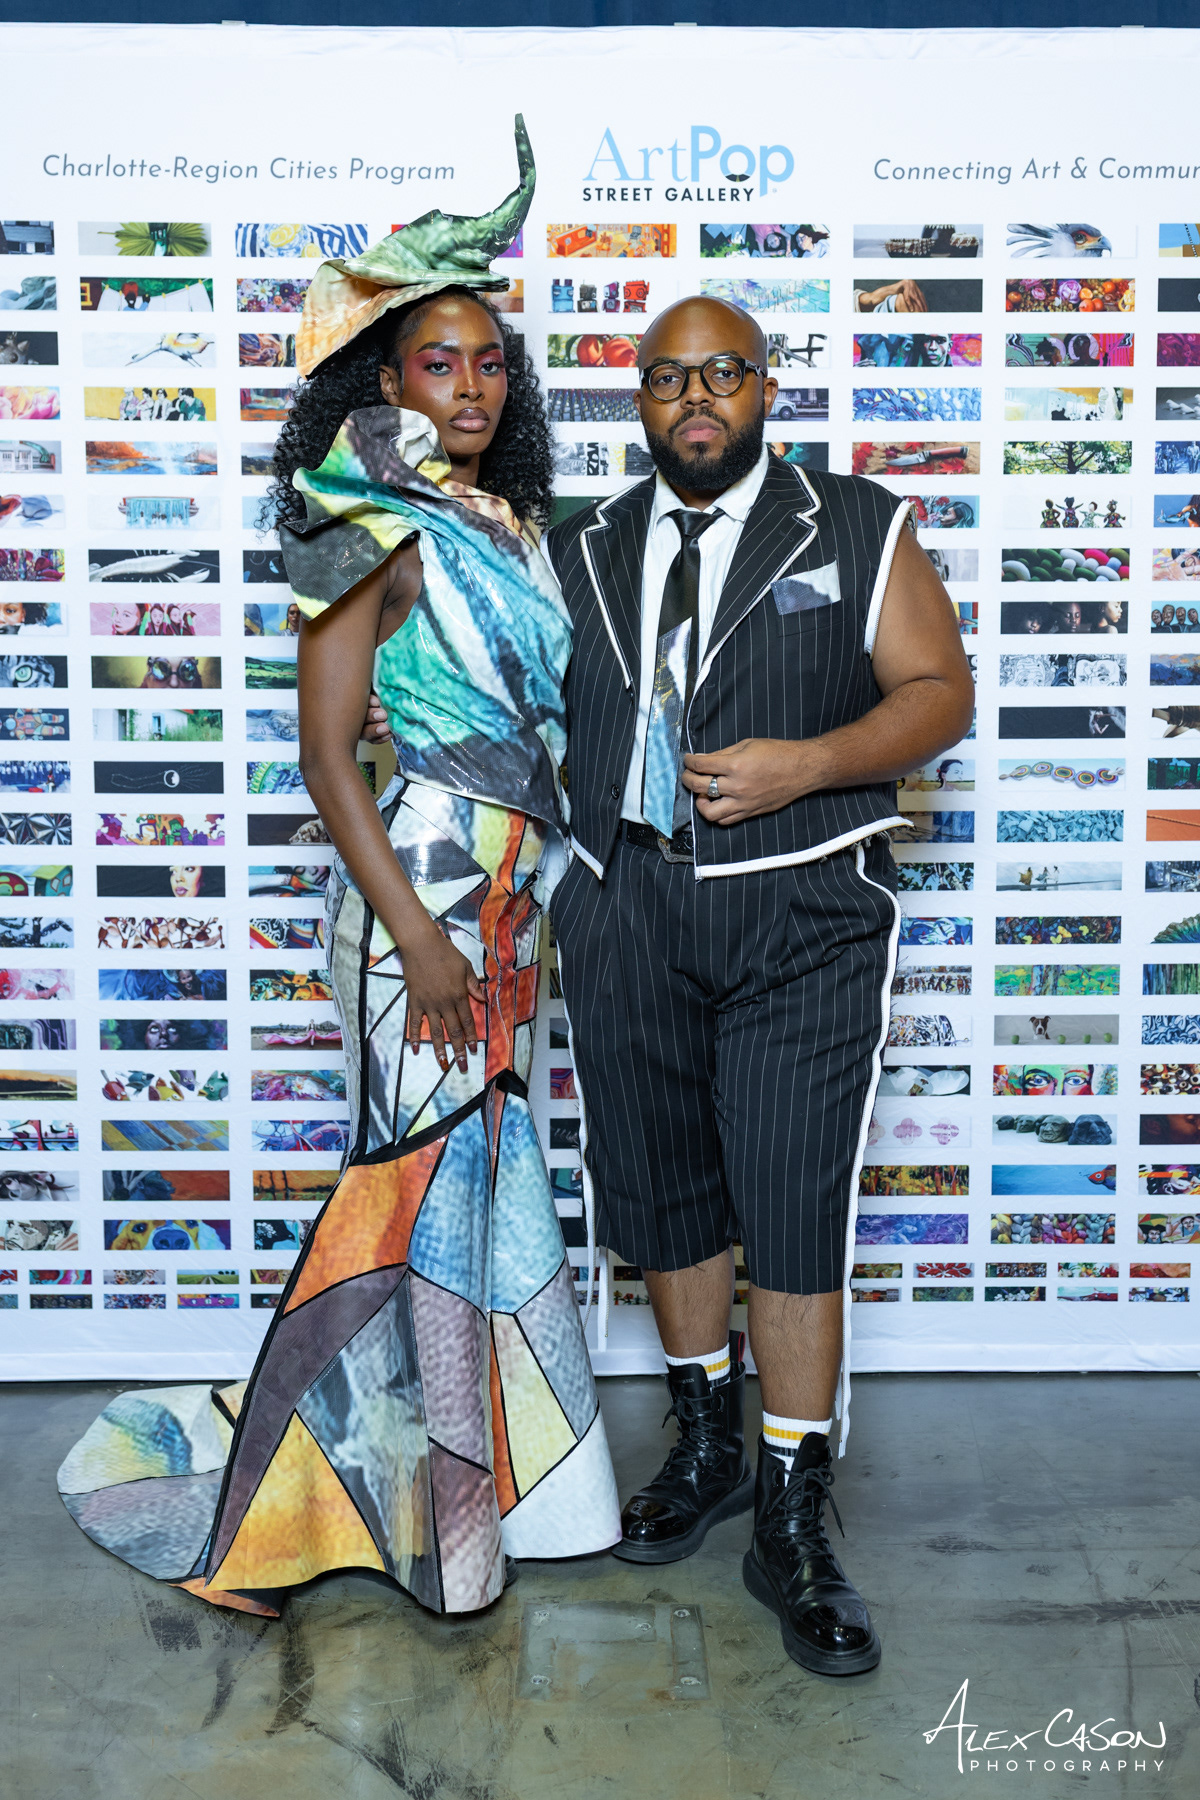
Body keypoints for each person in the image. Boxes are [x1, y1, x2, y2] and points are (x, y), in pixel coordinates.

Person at [59, 117, 620, 1622]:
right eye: (441, 363)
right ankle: (315, 1534)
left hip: (512, 910)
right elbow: (327, 759)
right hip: (418, 903)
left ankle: (480, 1519)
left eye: (491, 363)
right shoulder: (357, 521)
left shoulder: (510, 527)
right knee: (411, 1208)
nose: (474, 387)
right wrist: (419, 937)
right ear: (386, 380)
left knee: (480, 1203)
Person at [536, 294, 973, 1677]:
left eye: (723, 371)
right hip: (625, 902)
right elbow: (517, 701)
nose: (697, 398)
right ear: (640, 400)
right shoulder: (581, 544)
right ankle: (706, 1441)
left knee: (787, 1198)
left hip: (801, 909)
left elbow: (939, 691)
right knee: (662, 1186)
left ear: (766, 388)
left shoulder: (852, 522)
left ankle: (792, 1510)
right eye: (668, 378)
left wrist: (812, 763)